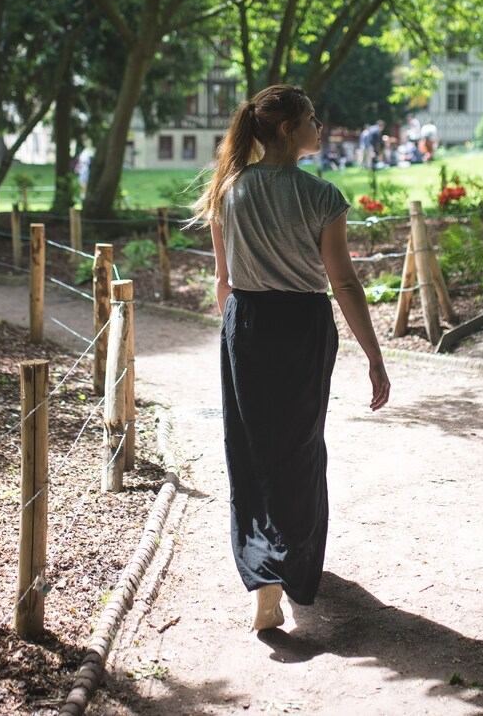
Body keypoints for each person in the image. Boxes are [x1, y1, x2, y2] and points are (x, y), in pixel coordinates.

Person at [187, 85, 391, 633]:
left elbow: (223, 282)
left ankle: (262, 577)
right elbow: (344, 283)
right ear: (286, 130)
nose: (319, 127)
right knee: (299, 447)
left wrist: (237, 335)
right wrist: (374, 355)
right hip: (303, 327)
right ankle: (294, 570)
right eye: (311, 119)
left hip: (248, 326)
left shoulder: (227, 192)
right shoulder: (322, 196)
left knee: (251, 448)